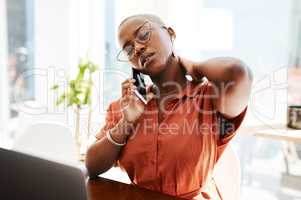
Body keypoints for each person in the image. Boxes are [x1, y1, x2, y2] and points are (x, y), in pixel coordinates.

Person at [85, 14, 253, 200]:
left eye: (143, 35)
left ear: (170, 34)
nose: (138, 48)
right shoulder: (126, 106)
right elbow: (91, 167)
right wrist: (126, 122)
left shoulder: (209, 98)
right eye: (129, 49)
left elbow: (238, 72)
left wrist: (195, 68)